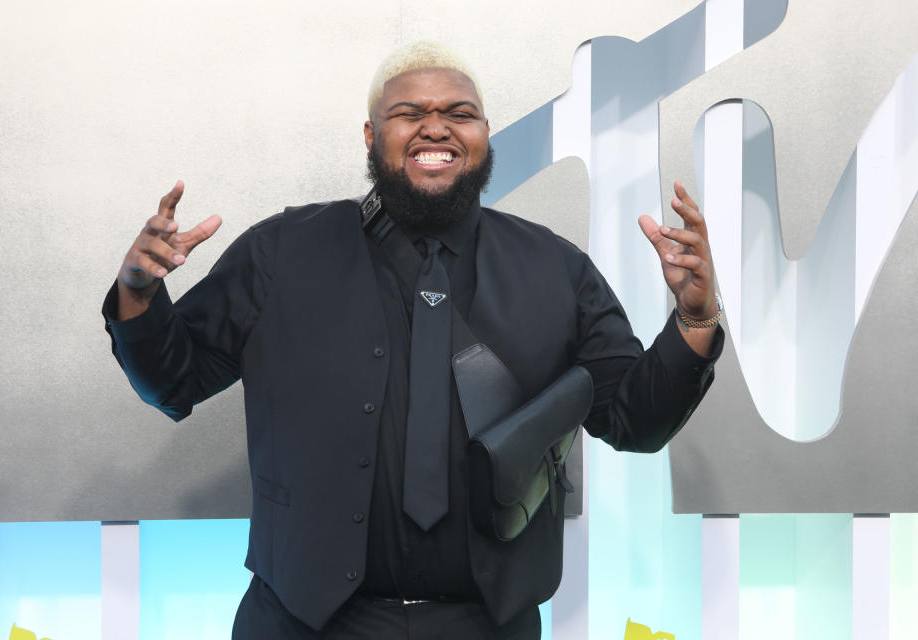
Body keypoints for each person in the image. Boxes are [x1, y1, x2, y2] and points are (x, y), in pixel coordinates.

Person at [103, 42, 723, 640]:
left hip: (488, 625)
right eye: (409, 114)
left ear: (484, 136)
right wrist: (139, 293)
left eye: (460, 114)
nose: (436, 128)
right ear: (372, 136)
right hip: (300, 624)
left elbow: (634, 422)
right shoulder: (280, 252)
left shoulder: (556, 269)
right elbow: (171, 381)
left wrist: (694, 321)